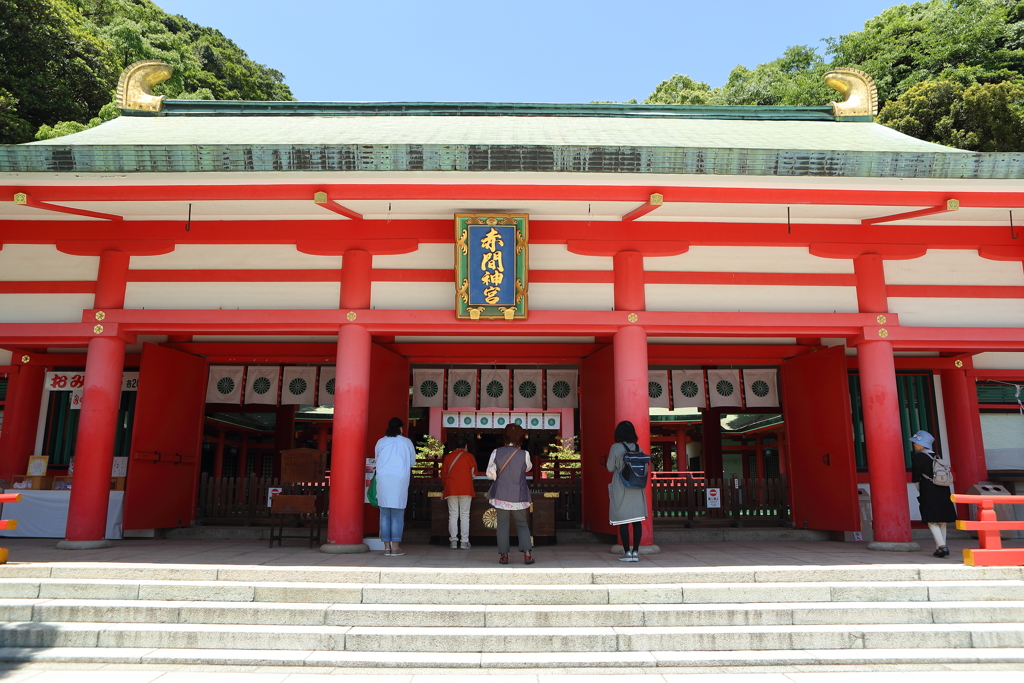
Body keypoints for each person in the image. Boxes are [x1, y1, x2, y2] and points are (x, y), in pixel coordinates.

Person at [486, 423, 534, 565]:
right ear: (520, 437)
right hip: (518, 495)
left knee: (502, 525)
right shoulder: (524, 454)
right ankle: (527, 555)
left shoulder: (496, 452)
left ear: (504, 437)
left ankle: (504, 556)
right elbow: (528, 468)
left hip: (501, 495)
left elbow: (490, 473)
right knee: (522, 524)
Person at [910, 430, 957, 558]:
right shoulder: (937, 455)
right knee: (942, 520)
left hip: (928, 488)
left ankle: (942, 546)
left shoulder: (918, 457)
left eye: (916, 443)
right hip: (943, 488)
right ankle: (940, 547)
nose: (914, 445)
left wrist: (921, 490)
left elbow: (915, 478)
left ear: (922, 444)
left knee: (931, 520)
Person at [606, 420, 648, 562]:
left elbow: (610, 467)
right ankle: (636, 551)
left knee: (623, 519)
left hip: (621, 485)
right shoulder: (638, 447)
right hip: (636, 486)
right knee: (637, 519)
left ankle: (626, 552)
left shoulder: (615, 447)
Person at [374, 417, 416, 557]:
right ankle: (396, 547)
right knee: (397, 515)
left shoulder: (381, 442)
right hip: (399, 480)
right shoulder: (406, 442)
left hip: (384, 479)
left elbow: (377, 459)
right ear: (401, 428)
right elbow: (412, 462)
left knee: (384, 514)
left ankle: (386, 548)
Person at [442, 435, 477, 549]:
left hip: (451, 488)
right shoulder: (469, 456)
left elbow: (443, 476)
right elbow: (474, 474)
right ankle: (464, 541)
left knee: (453, 515)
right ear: (466, 446)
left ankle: (453, 541)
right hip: (466, 488)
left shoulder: (448, 457)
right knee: (464, 515)